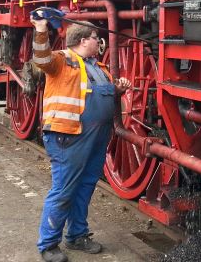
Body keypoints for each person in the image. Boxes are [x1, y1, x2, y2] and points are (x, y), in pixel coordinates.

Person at [30, 15, 130, 262]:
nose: (99, 42)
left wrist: (117, 89)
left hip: (95, 137)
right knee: (64, 189)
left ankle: (76, 235)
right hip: (68, 135)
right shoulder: (62, 60)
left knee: (85, 187)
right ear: (84, 40)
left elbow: (100, 95)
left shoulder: (99, 68)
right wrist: (41, 29)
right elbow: (41, 59)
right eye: (96, 38)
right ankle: (48, 244)